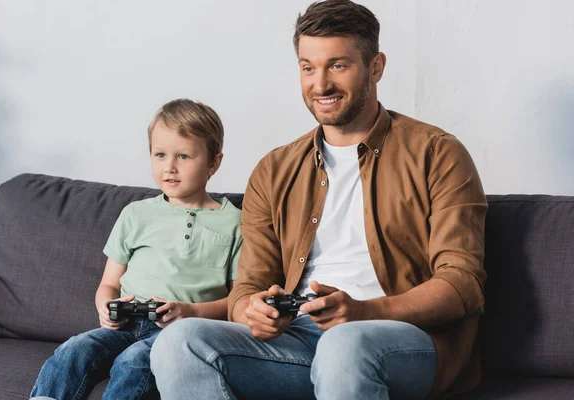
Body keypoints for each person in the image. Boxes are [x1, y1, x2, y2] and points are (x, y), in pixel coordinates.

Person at [150, 1, 487, 398]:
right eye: (308, 68)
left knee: (344, 344)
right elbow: (248, 287)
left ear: (375, 67)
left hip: (399, 339)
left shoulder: (438, 153)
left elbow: (461, 283)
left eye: (338, 65)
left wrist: (367, 312)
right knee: (181, 340)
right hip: (299, 337)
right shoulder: (274, 170)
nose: (320, 84)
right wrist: (252, 312)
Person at [29, 99, 242, 400]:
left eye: (183, 156)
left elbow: (238, 298)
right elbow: (109, 283)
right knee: (73, 350)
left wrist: (191, 311)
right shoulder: (136, 214)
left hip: (178, 334)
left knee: (133, 363)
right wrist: (106, 307)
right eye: (160, 155)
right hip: (125, 323)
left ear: (213, 163)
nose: (169, 167)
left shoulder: (235, 222)